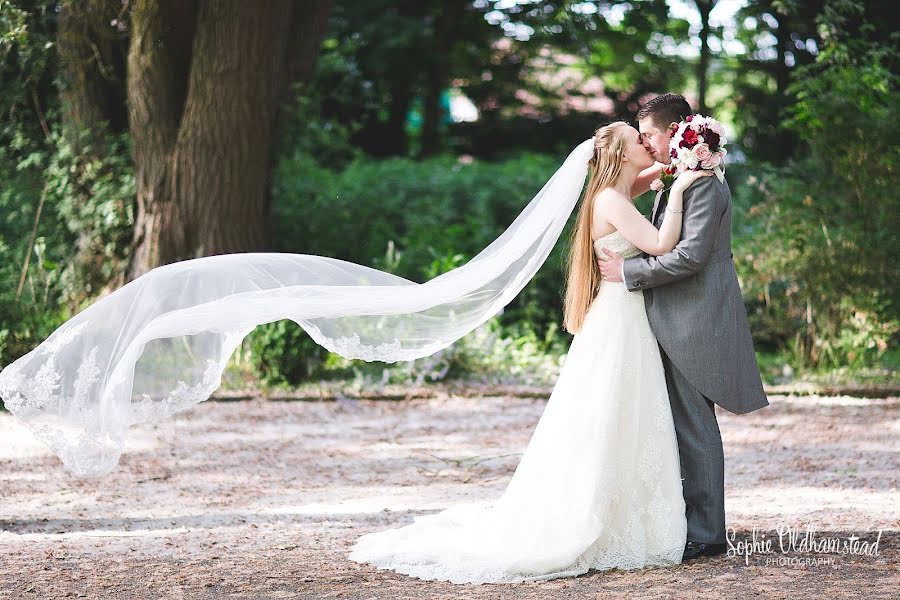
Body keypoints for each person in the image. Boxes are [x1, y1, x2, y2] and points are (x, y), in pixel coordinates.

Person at [346, 122, 712, 583]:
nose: (647, 143)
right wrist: (682, 187)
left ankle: (625, 512)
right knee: (612, 412)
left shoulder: (616, 190)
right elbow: (661, 244)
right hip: (621, 319)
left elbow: (652, 173)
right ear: (619, 156)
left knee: (624, 412)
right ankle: (605, 516)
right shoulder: (611, 201)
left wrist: (685, 156)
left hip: (622, 315)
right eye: (636, 140)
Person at [597, 93, 770, 561]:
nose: (646, 142)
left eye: (649, 133)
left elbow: (690, 257)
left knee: (695, 427)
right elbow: (620, 191)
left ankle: (708, 534)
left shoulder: (703, 185)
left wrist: (628, 274)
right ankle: (686, 522)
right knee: (675, 426)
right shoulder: (680, 174)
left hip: (694, 319)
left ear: (674, 129)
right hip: (670, 317)